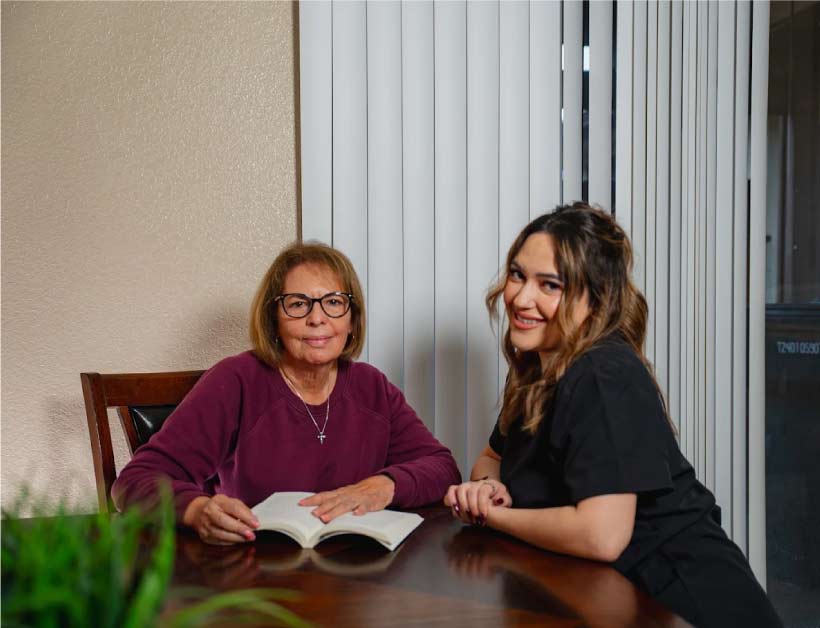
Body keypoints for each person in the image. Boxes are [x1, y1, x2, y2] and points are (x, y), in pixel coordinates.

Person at [444, 203, 781, 627]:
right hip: (608, 594)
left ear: (596, 298)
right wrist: (486, 488)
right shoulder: (537, 368)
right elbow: (491, 458)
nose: (521, 298)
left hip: (682, 599)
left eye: (550, 285)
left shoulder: (603, 373)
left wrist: (491, 516)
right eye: (517, 274)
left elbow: (602, 535)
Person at [113, 242, 460, 545]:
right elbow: (134, 481)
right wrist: (197, 509)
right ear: (273, 319)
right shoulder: (236, 380)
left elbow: (443, 468)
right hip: (253, 578)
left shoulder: (373, 387)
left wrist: (384, 485)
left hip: (355, 579)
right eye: (298, 304)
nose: (317, 319)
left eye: (334, 302)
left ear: (351, 319)